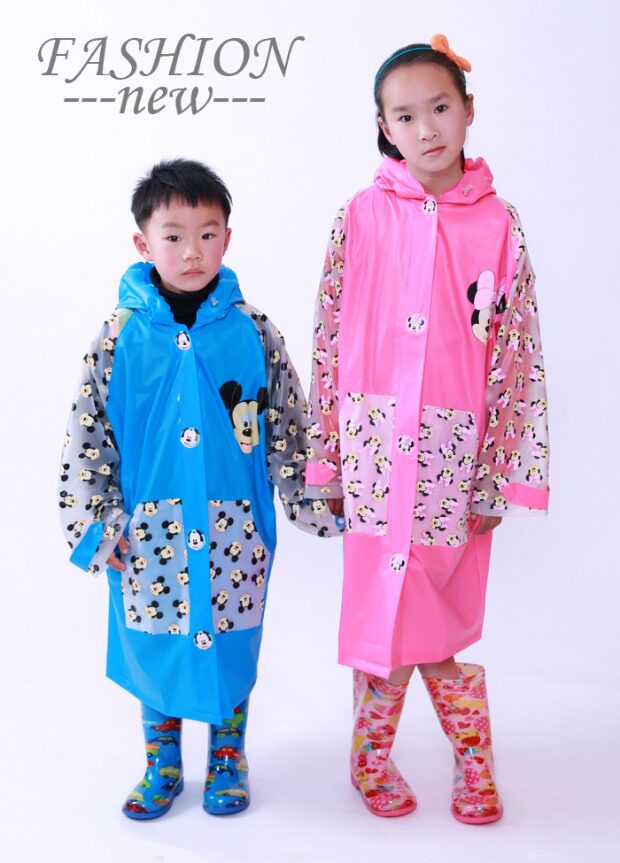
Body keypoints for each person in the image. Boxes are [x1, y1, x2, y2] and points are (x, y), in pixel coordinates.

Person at [304, 35, 550, 823]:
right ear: (385, 128)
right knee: (382, 620)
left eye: (440, 107)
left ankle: (468, 763)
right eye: (405, 116)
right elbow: (329, 334)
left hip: (452, 457)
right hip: (375, 451)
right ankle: (371, 761)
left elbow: (516, 349)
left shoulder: (499, 224)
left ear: (468, 110)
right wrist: (327, 456)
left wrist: (501, 473)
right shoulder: (360, 215)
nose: (427, 128)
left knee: (437, 624)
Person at [58, 158, 340, 820]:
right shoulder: (119, 337)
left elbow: (289, 426)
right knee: (155, 646)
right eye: (174, 236)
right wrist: (97, 524)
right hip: (146, 535)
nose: (192, 251)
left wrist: (319, 500)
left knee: (231, 645)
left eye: (208, 234)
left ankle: (228, 758)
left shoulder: (253, 331)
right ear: (143, 243)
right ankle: (162, 762)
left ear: (228, 239)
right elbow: (87, 435)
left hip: (233, 529)